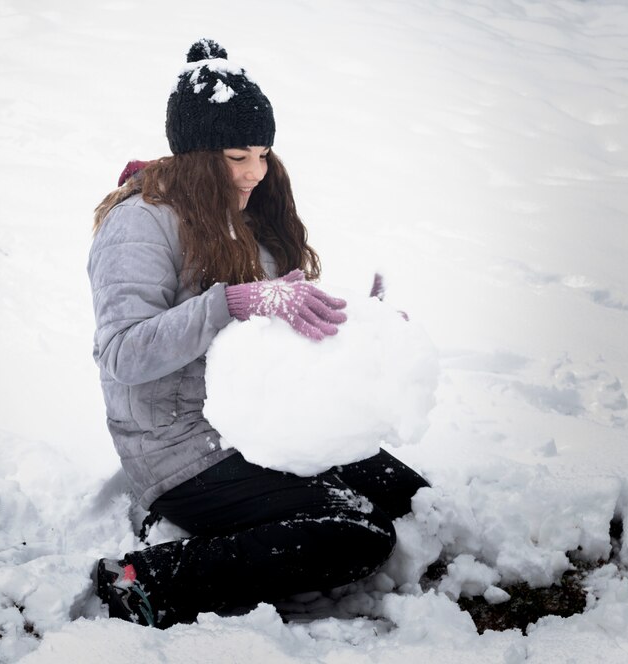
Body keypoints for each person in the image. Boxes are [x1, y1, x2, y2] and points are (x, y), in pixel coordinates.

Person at [87, 38, 429, 628]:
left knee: (407, 496)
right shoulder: (139, 222)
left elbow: (279, 322)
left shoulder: (245, 214)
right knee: (356, 534)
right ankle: (150, 579)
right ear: (195, 155)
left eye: (264, 154)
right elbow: (121, 353)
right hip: (179, 448)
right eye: (236, 155)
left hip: (263, 423)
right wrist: (234, 302)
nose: (255, 171)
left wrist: (361, 325)